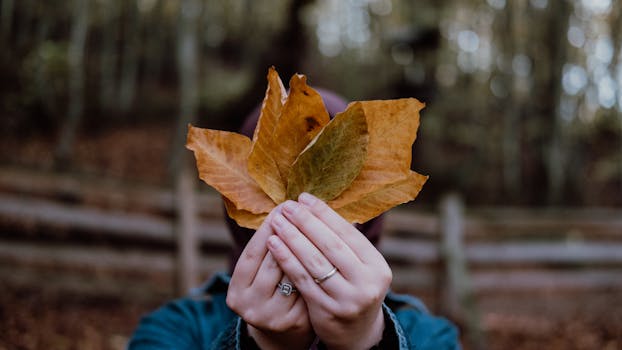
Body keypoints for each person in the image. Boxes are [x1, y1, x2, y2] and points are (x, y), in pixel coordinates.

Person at [128, 90, 460, 350]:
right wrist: (256, 345)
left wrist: (371, 341)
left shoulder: (431, 337)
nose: (309, 213)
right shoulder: (175, 328)